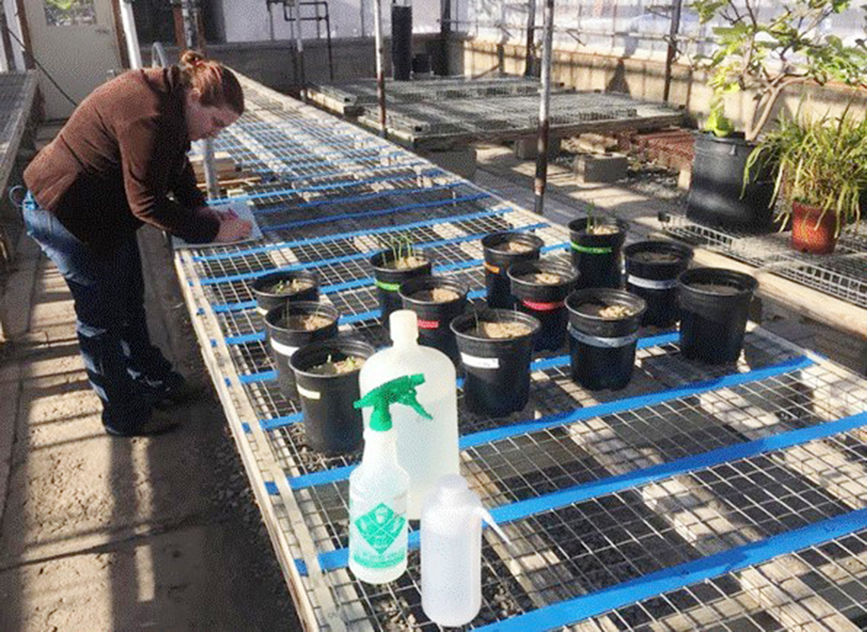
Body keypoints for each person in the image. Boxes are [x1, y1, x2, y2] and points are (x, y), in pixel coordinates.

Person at [22, 50, 252, 437]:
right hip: (65, 211)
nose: (215, 133)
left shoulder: (173, 98)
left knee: (129, 297)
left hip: (102, 211)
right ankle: (124, 416)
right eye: (215, 122)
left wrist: (202, 209)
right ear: (195, 98)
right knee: (102, 319)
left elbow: (174, 165)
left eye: (223, 128)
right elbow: (146, 203)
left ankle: (153, 378)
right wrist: (212, 232)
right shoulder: (151, 114)